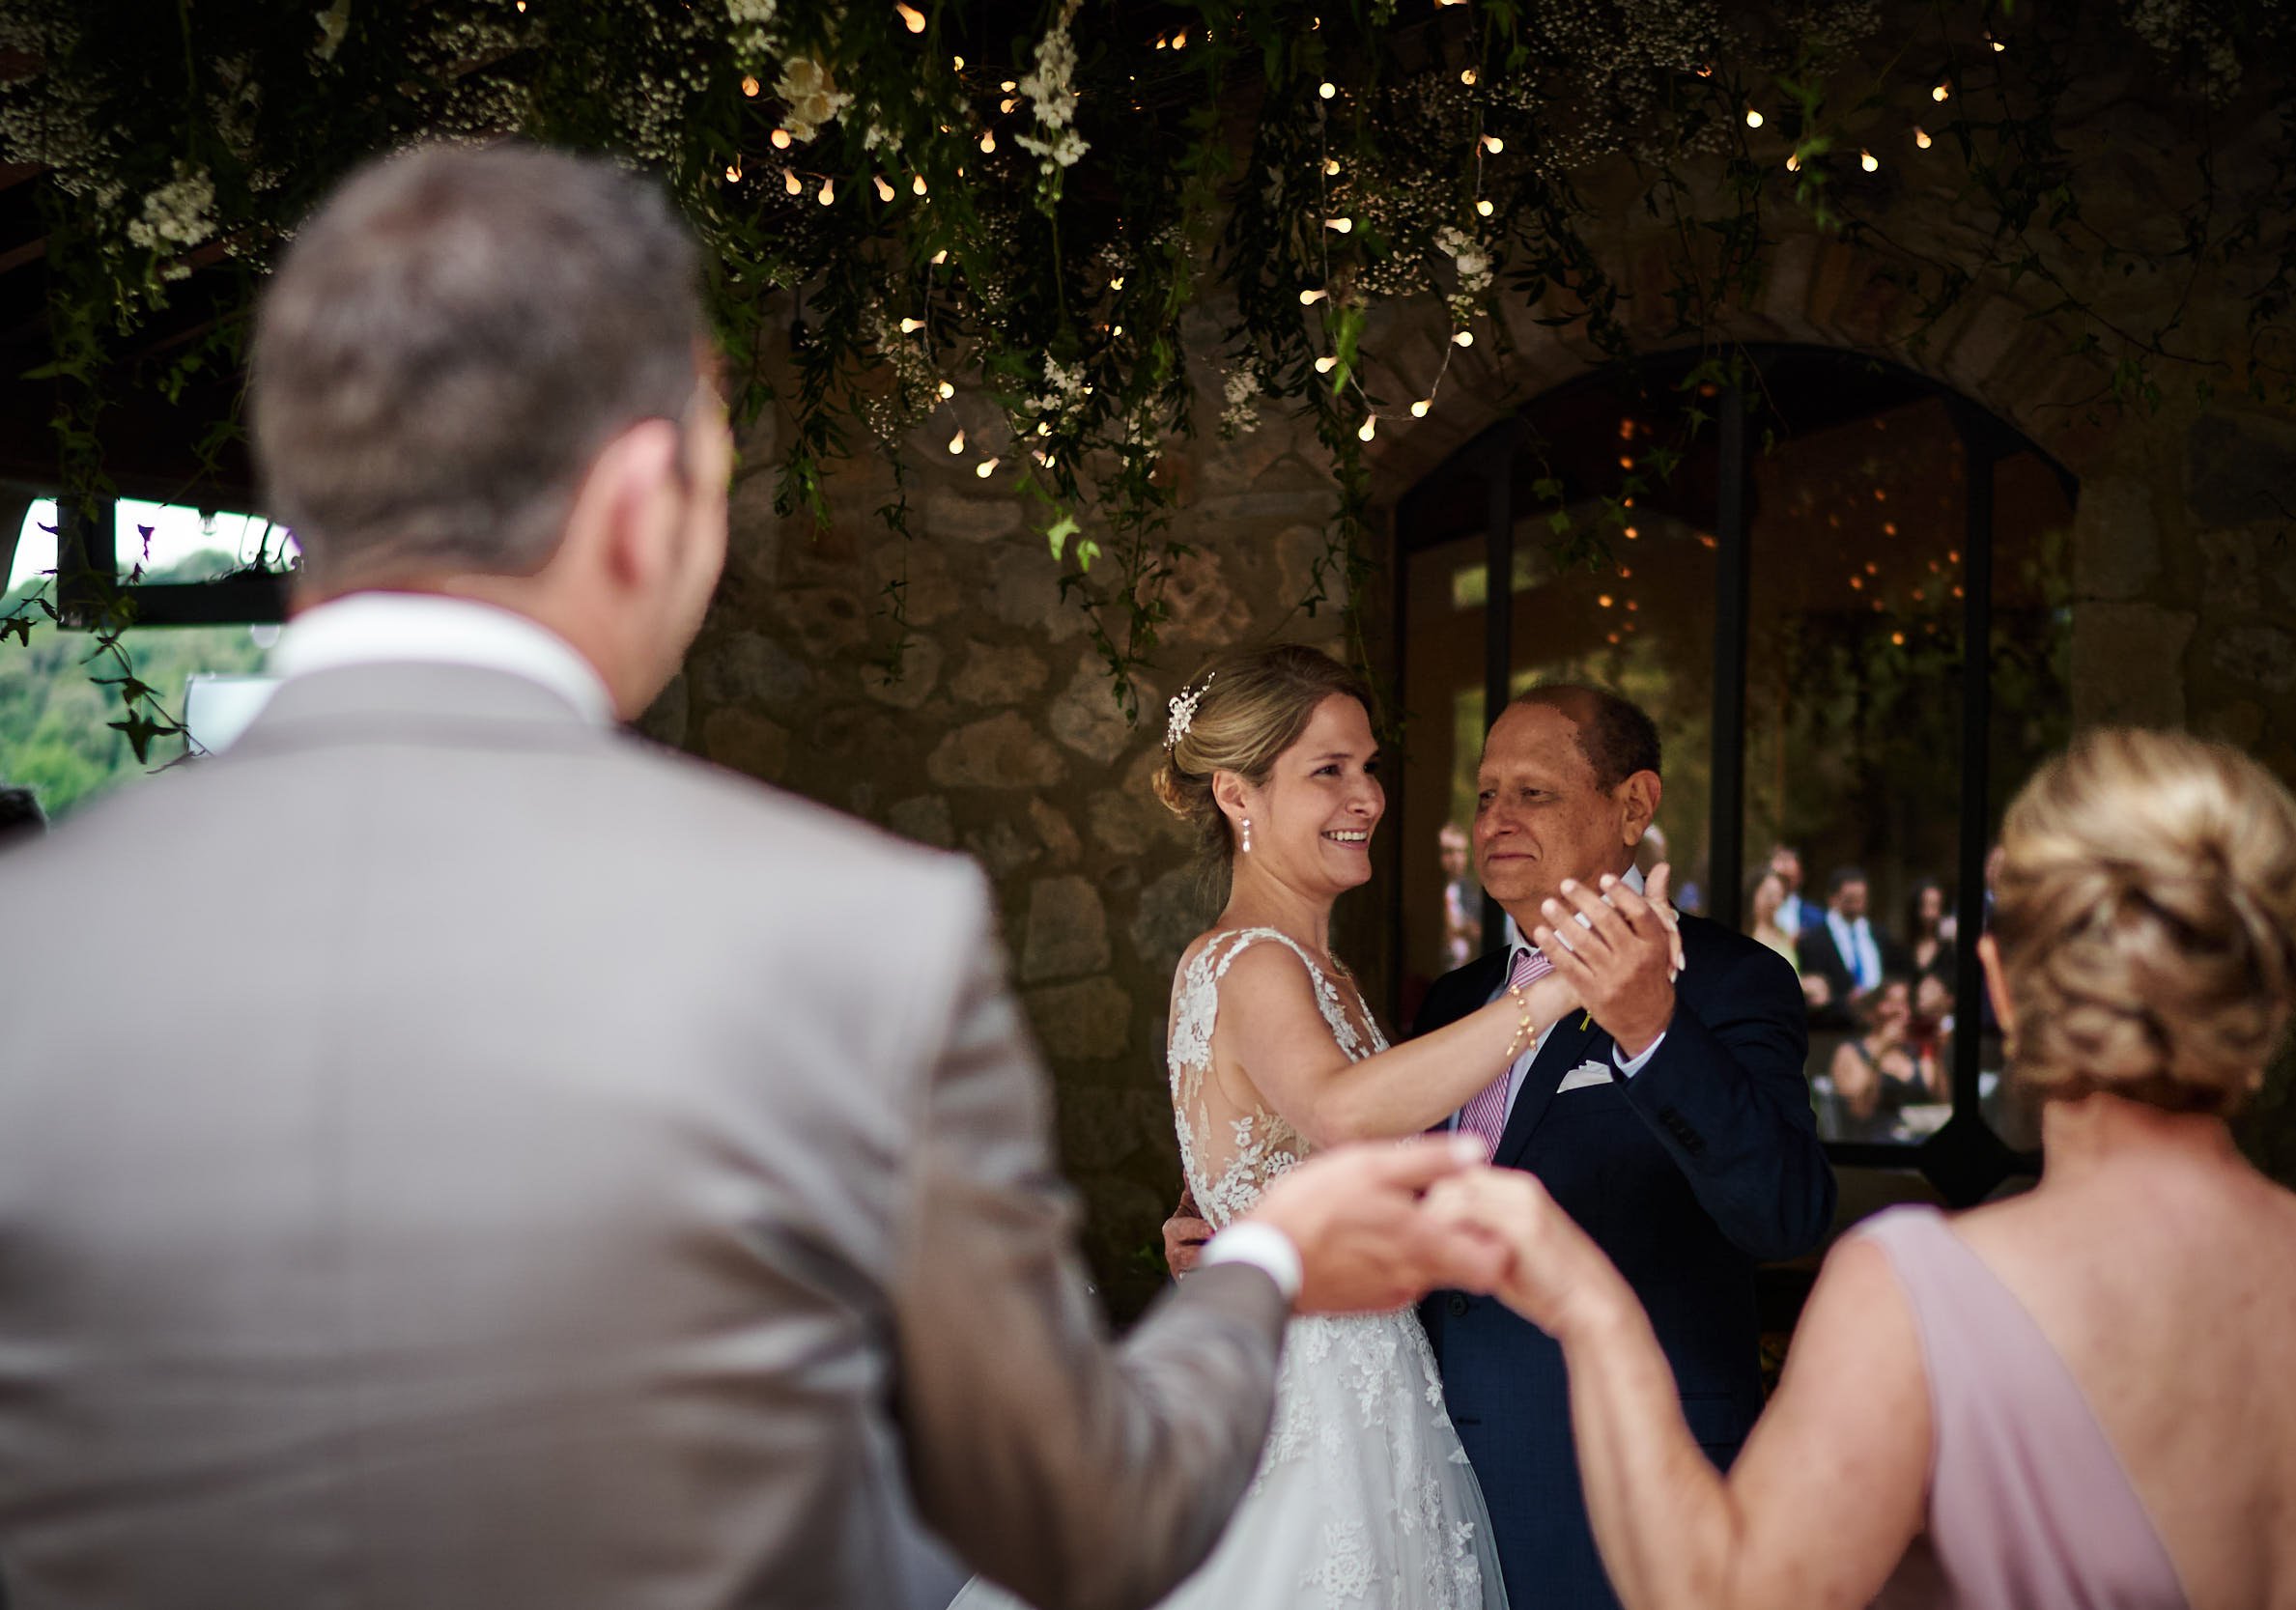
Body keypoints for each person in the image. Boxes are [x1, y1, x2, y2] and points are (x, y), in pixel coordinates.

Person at [0, 145, 1509, 1610]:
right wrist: (1264, 1267)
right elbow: (1077, 1507)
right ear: (644, 494)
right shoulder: (855, 932)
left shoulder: (38, 936)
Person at [1427, 728, 2296, 1610]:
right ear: (2284, 978)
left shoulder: (1924, 1287)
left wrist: (1590, 1310)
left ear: (1997, 980)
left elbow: (1718, 1592)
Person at [986, 646, 1687, 1610]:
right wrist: (1567, 982)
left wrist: (1233, 1211)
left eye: (1367, 766)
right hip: (1299, 1401)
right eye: (1328, 771)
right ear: (1237, 794)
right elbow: (1338, 1109)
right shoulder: (1247, 958)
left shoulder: (1334, 979)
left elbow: (1306, 1144)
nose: (1367, 796)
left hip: (1382, 1389)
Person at [1152, 685, 1832, 1609]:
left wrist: (1652, 1030)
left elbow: (1785, 1211)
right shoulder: (1451, 1004)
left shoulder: (1725, 981)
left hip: (1617, 1500)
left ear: (1634, 805)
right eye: (1484, 796)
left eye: (1535, 793)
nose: (1496, 819)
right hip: (1409, 1484)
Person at [1827, 975, 1943, 1139]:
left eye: (1907, 1003)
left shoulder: (1914, 1052)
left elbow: (1940, 1099)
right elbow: (1860, 1110)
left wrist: (1935, 1050)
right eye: (1894, 1003)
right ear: (1873, 1009)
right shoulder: (1851, 1051)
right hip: (1878, 1146)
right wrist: (1881, 1049)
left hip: (1921, 1139)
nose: (1904, 1011)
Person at [1796, 865, 1899, 1029]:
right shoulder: (1813, 942)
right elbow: (1813, 999)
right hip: (1836, 1031)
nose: (1856, 906)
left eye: (1861, 899)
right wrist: (1847, 1003)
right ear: (1833, 898)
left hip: (1882, 1026)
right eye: (1850, 899)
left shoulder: (1880, 935)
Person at [1441, 821, 1484, 970]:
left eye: (1461, 852)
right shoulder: (1426, 891)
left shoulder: (1469, 890)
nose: (1456, 859)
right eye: (1449, 851)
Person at [1746, 862, 1799, 972]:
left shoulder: (1784, 933)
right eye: (1769, 895)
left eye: (1779, 895)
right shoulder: (1747, 931)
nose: (1775, 901)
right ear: (1753, 894)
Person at [1768, 842, 1813, 938]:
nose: (1782, 885)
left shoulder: (1814, 916)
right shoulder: (1755, 911)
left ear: (1800, 876)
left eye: (1788, 879)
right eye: (1780, 878)